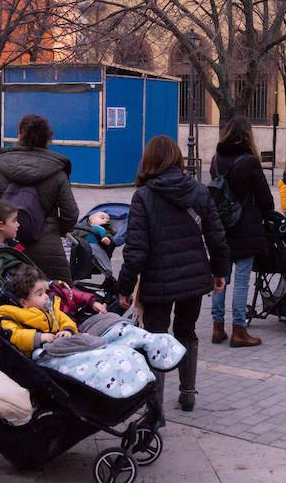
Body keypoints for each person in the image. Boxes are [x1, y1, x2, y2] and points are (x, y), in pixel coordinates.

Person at [117, 135, 229, 412]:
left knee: (156, 336)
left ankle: (154, 402)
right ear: (178, 158)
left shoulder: (143, 196)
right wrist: (219, 271)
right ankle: (188, 392)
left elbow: (136, 250)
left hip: (158, 280)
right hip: (193, 278)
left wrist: (125, 287)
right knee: (186, 331)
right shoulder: (199, 191)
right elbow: (217, 236)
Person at [0, 114, 78, 282]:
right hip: (48, 247)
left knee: (11, 302)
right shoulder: (56, 169)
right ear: (47, 138)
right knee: (58, 298)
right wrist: (57, 230)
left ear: (20, 135)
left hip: (7, 249)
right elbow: (70, 212)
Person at [209, 116, 274, 348]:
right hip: (245, 227)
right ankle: (239, 330)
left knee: (220, 277)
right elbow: (265, 199)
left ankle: (217, 328)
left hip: (221, 227)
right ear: (248, 135)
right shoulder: (249, 161)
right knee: (242, 281)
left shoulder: (216, 160)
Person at [0, 263, 78, 355]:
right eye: (40, 294)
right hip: (41, 352)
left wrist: (67, 330)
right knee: (82, 341)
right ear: (24, 302)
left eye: (45, 292)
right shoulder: (10, 313)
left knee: (97, 321)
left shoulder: (50, 309)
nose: (47, 296)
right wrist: (38, 338)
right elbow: (14, 336)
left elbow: (64, 319)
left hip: (59, 342)